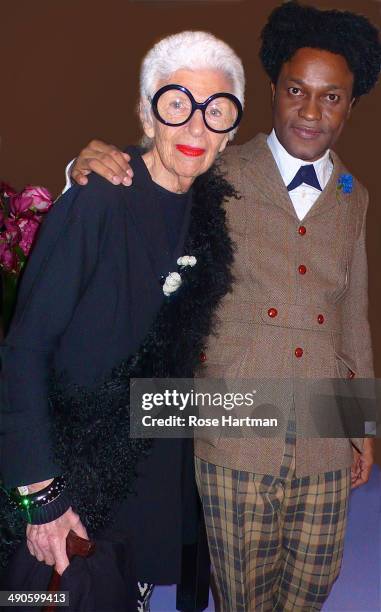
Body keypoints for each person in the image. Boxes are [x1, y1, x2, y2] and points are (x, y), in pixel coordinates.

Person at [71, 2, 381, 610]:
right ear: (272, 89)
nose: (312, 111)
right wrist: (85, 168)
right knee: (241, 595)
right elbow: (147, 189)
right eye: (297, 90)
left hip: (321, 431)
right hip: (236, 427)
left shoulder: (354, 195)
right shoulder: (220, 167)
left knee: (314, 583)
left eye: (332, 97)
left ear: (350, 105)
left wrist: (360, 423)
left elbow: (352, 315)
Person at [0, 31, 245, 611]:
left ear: (230, 132)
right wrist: (43, 495)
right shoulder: (98, 199)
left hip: (143, 474)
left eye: (216, 111)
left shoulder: (206, 212)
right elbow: (24, 349)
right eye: (176, 102)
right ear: (146, 112)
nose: (194, 126)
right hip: (71, 473)